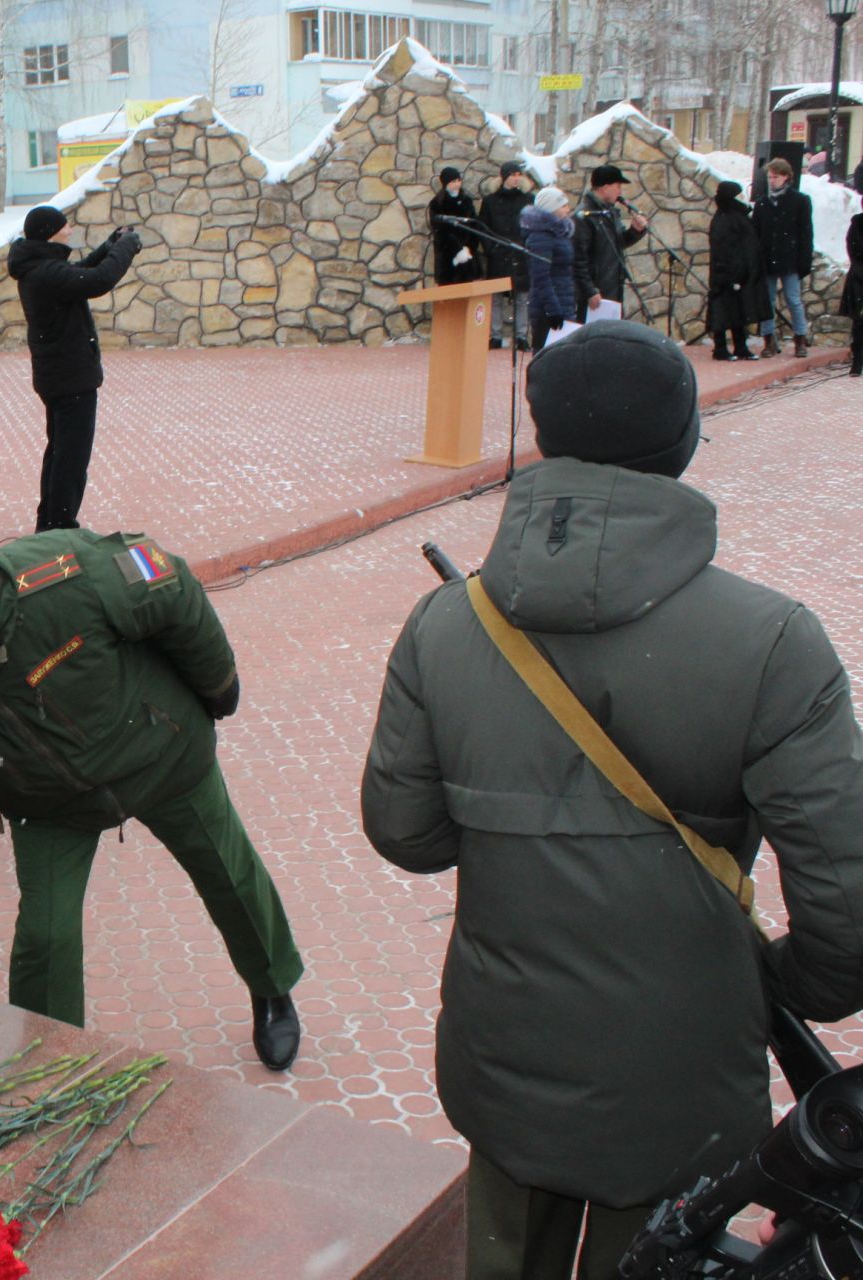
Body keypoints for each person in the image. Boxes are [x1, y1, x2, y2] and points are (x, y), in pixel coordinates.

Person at [361, 320, 863, 1279]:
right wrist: (780, 988)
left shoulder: (445, 624)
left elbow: (406, 834)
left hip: (502, 1054)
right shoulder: (775, 642)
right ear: (681, 444)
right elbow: (849, 907)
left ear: (545, 438)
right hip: (684, 1078)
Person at [0, 534, 305, 1070]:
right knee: (46, 936)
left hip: (160, 752)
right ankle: (49, 1057)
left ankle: (272, 985)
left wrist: (219, 684)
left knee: (226, 871)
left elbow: (170, 586)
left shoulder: (66, 583)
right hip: (46, 803)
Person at [8, 206, 141, 532]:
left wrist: (109, 246)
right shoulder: (45, 273)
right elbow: (98, 280)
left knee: (60, 453)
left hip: (60, 377)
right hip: (69, 379)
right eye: (64, 226)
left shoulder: (38, 268)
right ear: (50, 232)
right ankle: (61, 525)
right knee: (71, 458)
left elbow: (80, 272)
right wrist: (127, 247)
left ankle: (50, 523)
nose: (70, 230)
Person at [752, 157, 815, 359]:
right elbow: (756, 233)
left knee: (793, 300)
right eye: (769, 177)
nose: (771, 180)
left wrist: (804, 260)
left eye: (775, 177)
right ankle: (769, 339)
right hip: (768, 258)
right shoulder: (762, 203)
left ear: (786, 177)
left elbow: (806, 233)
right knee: (767, 301)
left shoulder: (800, 200)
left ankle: (800, 339)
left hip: (790, 258)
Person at [571, 163, 647, 322]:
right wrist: (590, 290)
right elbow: (578, 258)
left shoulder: (610, 212)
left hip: (613, 287)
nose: (620, 192)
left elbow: (615, 244)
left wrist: (635, 231)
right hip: (596, 292)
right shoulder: (585, 215)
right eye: (618, 186)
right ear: (605, 188)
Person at [705, 180, 767, 361]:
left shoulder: (736, 214)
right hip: (726, 273)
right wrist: (732, 273)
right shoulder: (724, 218)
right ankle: (720, 348)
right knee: (722, 310)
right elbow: (724, 248)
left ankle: (740, 346)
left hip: (740, 272)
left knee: (738, 310)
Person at [479, 161, 533, 350]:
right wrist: (491, 248)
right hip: (499, 254)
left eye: (519, 174)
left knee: (522, 297)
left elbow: (534, 226)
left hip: (521, 254)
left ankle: (521, 336)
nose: (516, 178)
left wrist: (527, 247)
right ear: (504, 177)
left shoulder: (528, 200)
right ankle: (495, 335)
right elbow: (483, 228)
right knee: (496, 298)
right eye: (512, 174)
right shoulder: (490, 201)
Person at [521, 187, 577, 352]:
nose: (568, 209)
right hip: (548, 306)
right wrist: (552, 309)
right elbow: (540, 276)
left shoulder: (559, 233)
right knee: (546, 356)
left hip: (563, 300)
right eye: (563, 205)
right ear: (551, 209)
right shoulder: (541, 236)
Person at [429, 166, 483, 287]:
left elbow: (474, 226)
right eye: (453, 181)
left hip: (468, 254)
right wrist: (457, 250)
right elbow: (440, 231)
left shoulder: (466, 201)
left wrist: (469, 248)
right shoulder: (437, 203)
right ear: (446, 183)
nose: (457, 184)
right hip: (449, 256)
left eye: (458, 181)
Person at [842, 209, 863, 377]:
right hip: (860, 277)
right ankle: (857, 361)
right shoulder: (858, 223)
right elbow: (853, 248)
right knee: (859, 323)